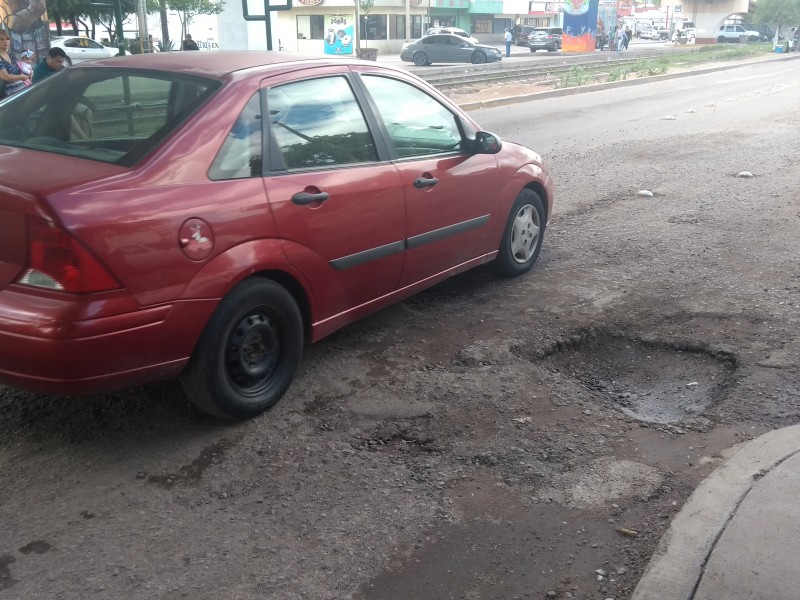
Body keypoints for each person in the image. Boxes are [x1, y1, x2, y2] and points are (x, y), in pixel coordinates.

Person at [0, 29, 30, 97]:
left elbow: (19, 69)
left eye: (7, 39)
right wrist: (22, 77)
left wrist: (28, 72)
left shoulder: (10, 54)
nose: (6, 41)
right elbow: (6, 77)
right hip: (7, 94)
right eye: (2, 39)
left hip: (20, 88)